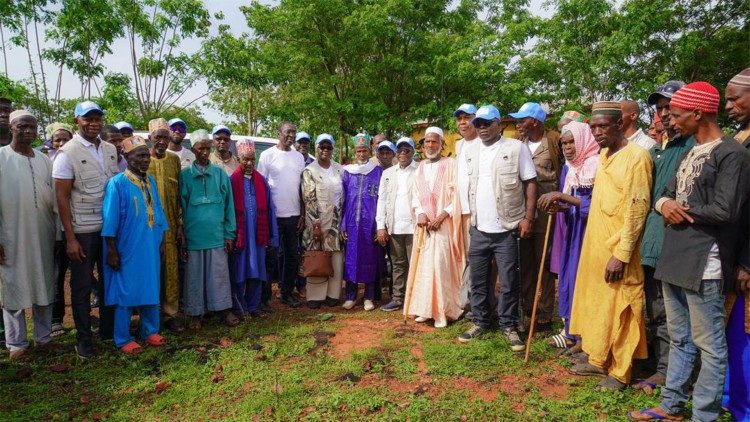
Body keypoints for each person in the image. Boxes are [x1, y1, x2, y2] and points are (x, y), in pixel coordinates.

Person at [629, 82, 750, 421]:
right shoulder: (687, 151)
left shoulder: (732, 154)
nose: (670, 119)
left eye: (678, 114)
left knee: (710, 346)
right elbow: (662, 194)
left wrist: (679, 209)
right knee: (680, 339)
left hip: (705, 261)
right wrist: (666, 204)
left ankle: (704, 414)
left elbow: (727, 210)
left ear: (698, 113)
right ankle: (671, 406)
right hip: (674, 257)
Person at [568, 101, 653, 391]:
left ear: (620, 124)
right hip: (596, 247)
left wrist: (622, 253)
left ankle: (620, 372)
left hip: (619, 251)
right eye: (592, 127)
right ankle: (597, 358)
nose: (597, 132)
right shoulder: (604, 155)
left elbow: (637, 208)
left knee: (623, 309)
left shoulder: (637, 157)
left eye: (602, 126)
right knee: (598, 305)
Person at [458, 105, 538, 351]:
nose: (481, 128)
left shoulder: (515, 148)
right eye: (478, 123)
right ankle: (481, 321)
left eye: (487, 123)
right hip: (479, 227)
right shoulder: (469, 151)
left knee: (509, 280)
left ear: (499, 124)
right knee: (478, 280)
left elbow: (531, 182)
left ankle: (509, 325)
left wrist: (529, 217)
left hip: (507, 227)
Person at [636, 80, 694, 395]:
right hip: (652, 241)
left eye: (668, 107)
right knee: (656, 307)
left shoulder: (692, 146)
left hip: (677, 244)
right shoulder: (659, 148)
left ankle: (670, 373)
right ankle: (661, 366)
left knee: (674, 313)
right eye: (659, 108)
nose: (663, 114)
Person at [53, 101, 119, 358]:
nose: (93, 123)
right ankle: (83, 340)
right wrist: (70, 238)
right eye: (87, 118)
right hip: (82, 230)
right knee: (81, 287)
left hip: (109, 229)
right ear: (77, 121)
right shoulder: (67, 153)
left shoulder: (111, 149)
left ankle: (108, 331)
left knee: (109, 281)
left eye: (97, 118)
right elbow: (61, 198)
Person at [0, 110, 58, 360]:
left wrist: (58, 235)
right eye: (23, 126)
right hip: (10, 235)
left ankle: (43, 338)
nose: (28, 131)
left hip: (43, 234)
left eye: (33, 127)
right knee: (12, 285)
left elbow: (53, 200)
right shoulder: (1, 158)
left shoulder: (44, 160)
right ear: (11, 128)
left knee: (44, 282)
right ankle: (17, 344)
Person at [102, 135, 168, 355]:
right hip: (126, 247)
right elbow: (110, 219)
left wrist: (162, 241)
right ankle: (122, 338)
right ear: (126, 156)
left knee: (150, 286)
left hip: (150, 244)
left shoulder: (150, 182)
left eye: (145, 155)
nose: (144, 160)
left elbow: (157, 211)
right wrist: (111, 250)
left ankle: (149, 331)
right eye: (138, 156)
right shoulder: (117, 183)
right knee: (126, 290)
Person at [537, 121, 599, 349]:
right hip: (573, 229)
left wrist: (563, 198)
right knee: (569, 278)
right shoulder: (569, 168)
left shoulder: (597, 164)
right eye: (563, 143)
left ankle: (588, 336)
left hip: (590, 232)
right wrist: (561, 206)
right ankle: (572, 330)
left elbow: (597, 204)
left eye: (572, 141)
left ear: (583, 140)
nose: (567, 147)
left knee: (586, 280)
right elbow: (571, 202)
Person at [402, 128, 464, 328]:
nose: (430, 145)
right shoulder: (419, 167)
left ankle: (442, 312)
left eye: (434, 142)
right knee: (424, 267)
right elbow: (415, 196)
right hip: (424, 225)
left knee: (441, 266)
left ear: (442, 144)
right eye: (427, 142)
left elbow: (458, 195)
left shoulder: (451, 164)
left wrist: (442, 215)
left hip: (444, 225)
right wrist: (420, 212)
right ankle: (424, 309)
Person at [510, 102, 561, 333]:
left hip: (546, 215)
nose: (518, 123)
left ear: (536, 121)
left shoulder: (554, 141)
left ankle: (544, 313)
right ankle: (528, 311)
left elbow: (564, 172)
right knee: (526, 265)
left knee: (546, 263)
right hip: (522, 213)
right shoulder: (518, 145)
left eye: (523, 119)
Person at [180, 130, 238, 329]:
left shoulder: (220, 174)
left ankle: (222, 309)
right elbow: (181, 206)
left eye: (207, 148)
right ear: (193, 150)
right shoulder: (185, 176)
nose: (204, 152)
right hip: (194, 236)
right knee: (194, 276)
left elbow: (229, 206)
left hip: (216, 235)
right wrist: (183, 235)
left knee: (219, 275)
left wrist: (230, 233)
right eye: (200, 148)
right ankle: (195, 313)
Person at [723, 68, 750, 421]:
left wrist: (747, 261)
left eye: (735, 98)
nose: (729, 105)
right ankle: (733, 401)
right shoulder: (740, 137)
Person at [257, 122, 306, 308]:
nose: (291, 136)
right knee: (271, 256)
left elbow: (302, 187)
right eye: (288, 132)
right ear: (279, 133)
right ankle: (265, 296)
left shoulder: (298, 157)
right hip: (273, 215)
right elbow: (261, 186)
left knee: (292, 256)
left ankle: (287, 292)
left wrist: (302, 212)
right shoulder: (267, 155)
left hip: (294, 215)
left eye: (294, 132)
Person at [230, 139, 278, 317]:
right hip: (241, 238)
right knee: (239, 272)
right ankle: (240, 308)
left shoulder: (261, 181)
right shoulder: (231, 181)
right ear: (238, 158)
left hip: (258, 237)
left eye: (252, 159)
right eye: (245, 160)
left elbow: (270, 209)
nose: (249, 163)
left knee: (257, 271)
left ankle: (254, 306)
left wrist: (273, 237)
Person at [146, 118, 184, 333]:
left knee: (171, 270)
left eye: (165, 137)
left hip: (169, 225)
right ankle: (150, 314)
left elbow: (178, 196)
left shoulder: (173, 160)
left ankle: (170, 314)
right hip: (147, 227)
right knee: (151, 269)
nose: (161, 141)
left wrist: (179, 224)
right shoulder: (142, 159)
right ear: (150, 138)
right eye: (158, 137)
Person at [341, 133, 384, 311]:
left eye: (364, 150)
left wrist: (380, 225)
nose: (361, 154)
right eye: (358, 150)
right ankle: (351, 295)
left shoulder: (377, 171)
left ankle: (369, 296)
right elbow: (342, 199)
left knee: (370, 259)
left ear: (370, 150)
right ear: (354, 151)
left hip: (371, 223)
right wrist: (343, 223)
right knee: (351, 259)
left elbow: (382, 198)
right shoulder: (347, 172)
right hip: (351, 222)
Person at [301, 134, 344, 308]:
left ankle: (333, 294)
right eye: (322, 147)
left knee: (335, 257)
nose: (325, 150)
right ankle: (315, 295)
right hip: (317, 222)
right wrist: (315, 224)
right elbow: (309, 200)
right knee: (317, 256)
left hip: (336, 220)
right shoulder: (309, 171)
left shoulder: (340, 169)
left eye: (329, 147)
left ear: (333, 149)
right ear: (316, 148)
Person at [377, 137, 418, 312]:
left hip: (415, 226)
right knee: (398, 264)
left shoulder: (420, 170)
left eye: (406, 150)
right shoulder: (388, 173)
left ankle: (415, 300)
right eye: (400, 150)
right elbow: (382, 200)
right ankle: (398, 298)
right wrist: (380, 226)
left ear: (413, 151)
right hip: (394, 226)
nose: (403, 153)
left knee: (415, 264)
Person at [45, 122, 74, 337]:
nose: (62, 143)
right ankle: (56, 320)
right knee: (57, 275)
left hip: (77, 225)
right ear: (51, 141)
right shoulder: (45, 163)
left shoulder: (74, 159)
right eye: (58, 139)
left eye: (66, 139)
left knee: (80, 275)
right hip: (55, 228)